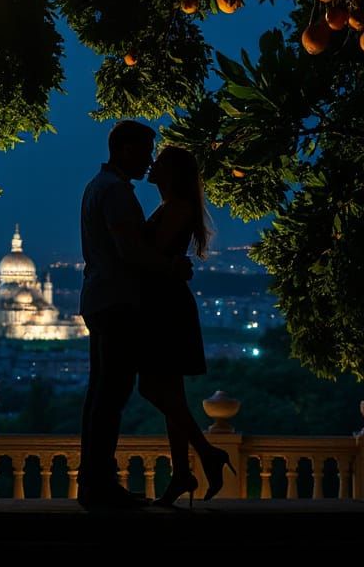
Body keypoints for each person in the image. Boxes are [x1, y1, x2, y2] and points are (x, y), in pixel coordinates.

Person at [78, 121, 192, 510]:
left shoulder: (100, 186)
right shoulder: (116, 192)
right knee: (111, 396)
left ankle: (93, 482)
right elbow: (130, 252)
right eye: (147, 151)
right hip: (117, 302)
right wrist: (171, 266)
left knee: (101, 395)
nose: (150, 160)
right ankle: (99, 485)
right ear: (126, 150)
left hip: (101, 299)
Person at [137, 146, 235, 508]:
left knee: (150, 386)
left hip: (164, 307)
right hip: (164, 303)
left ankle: (206, 453)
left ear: (172, 173)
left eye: (159, 162)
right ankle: (182, 472)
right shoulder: (173, 208)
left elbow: (153, 257)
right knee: (171, 395)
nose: (152, 165)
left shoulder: (176, 209)